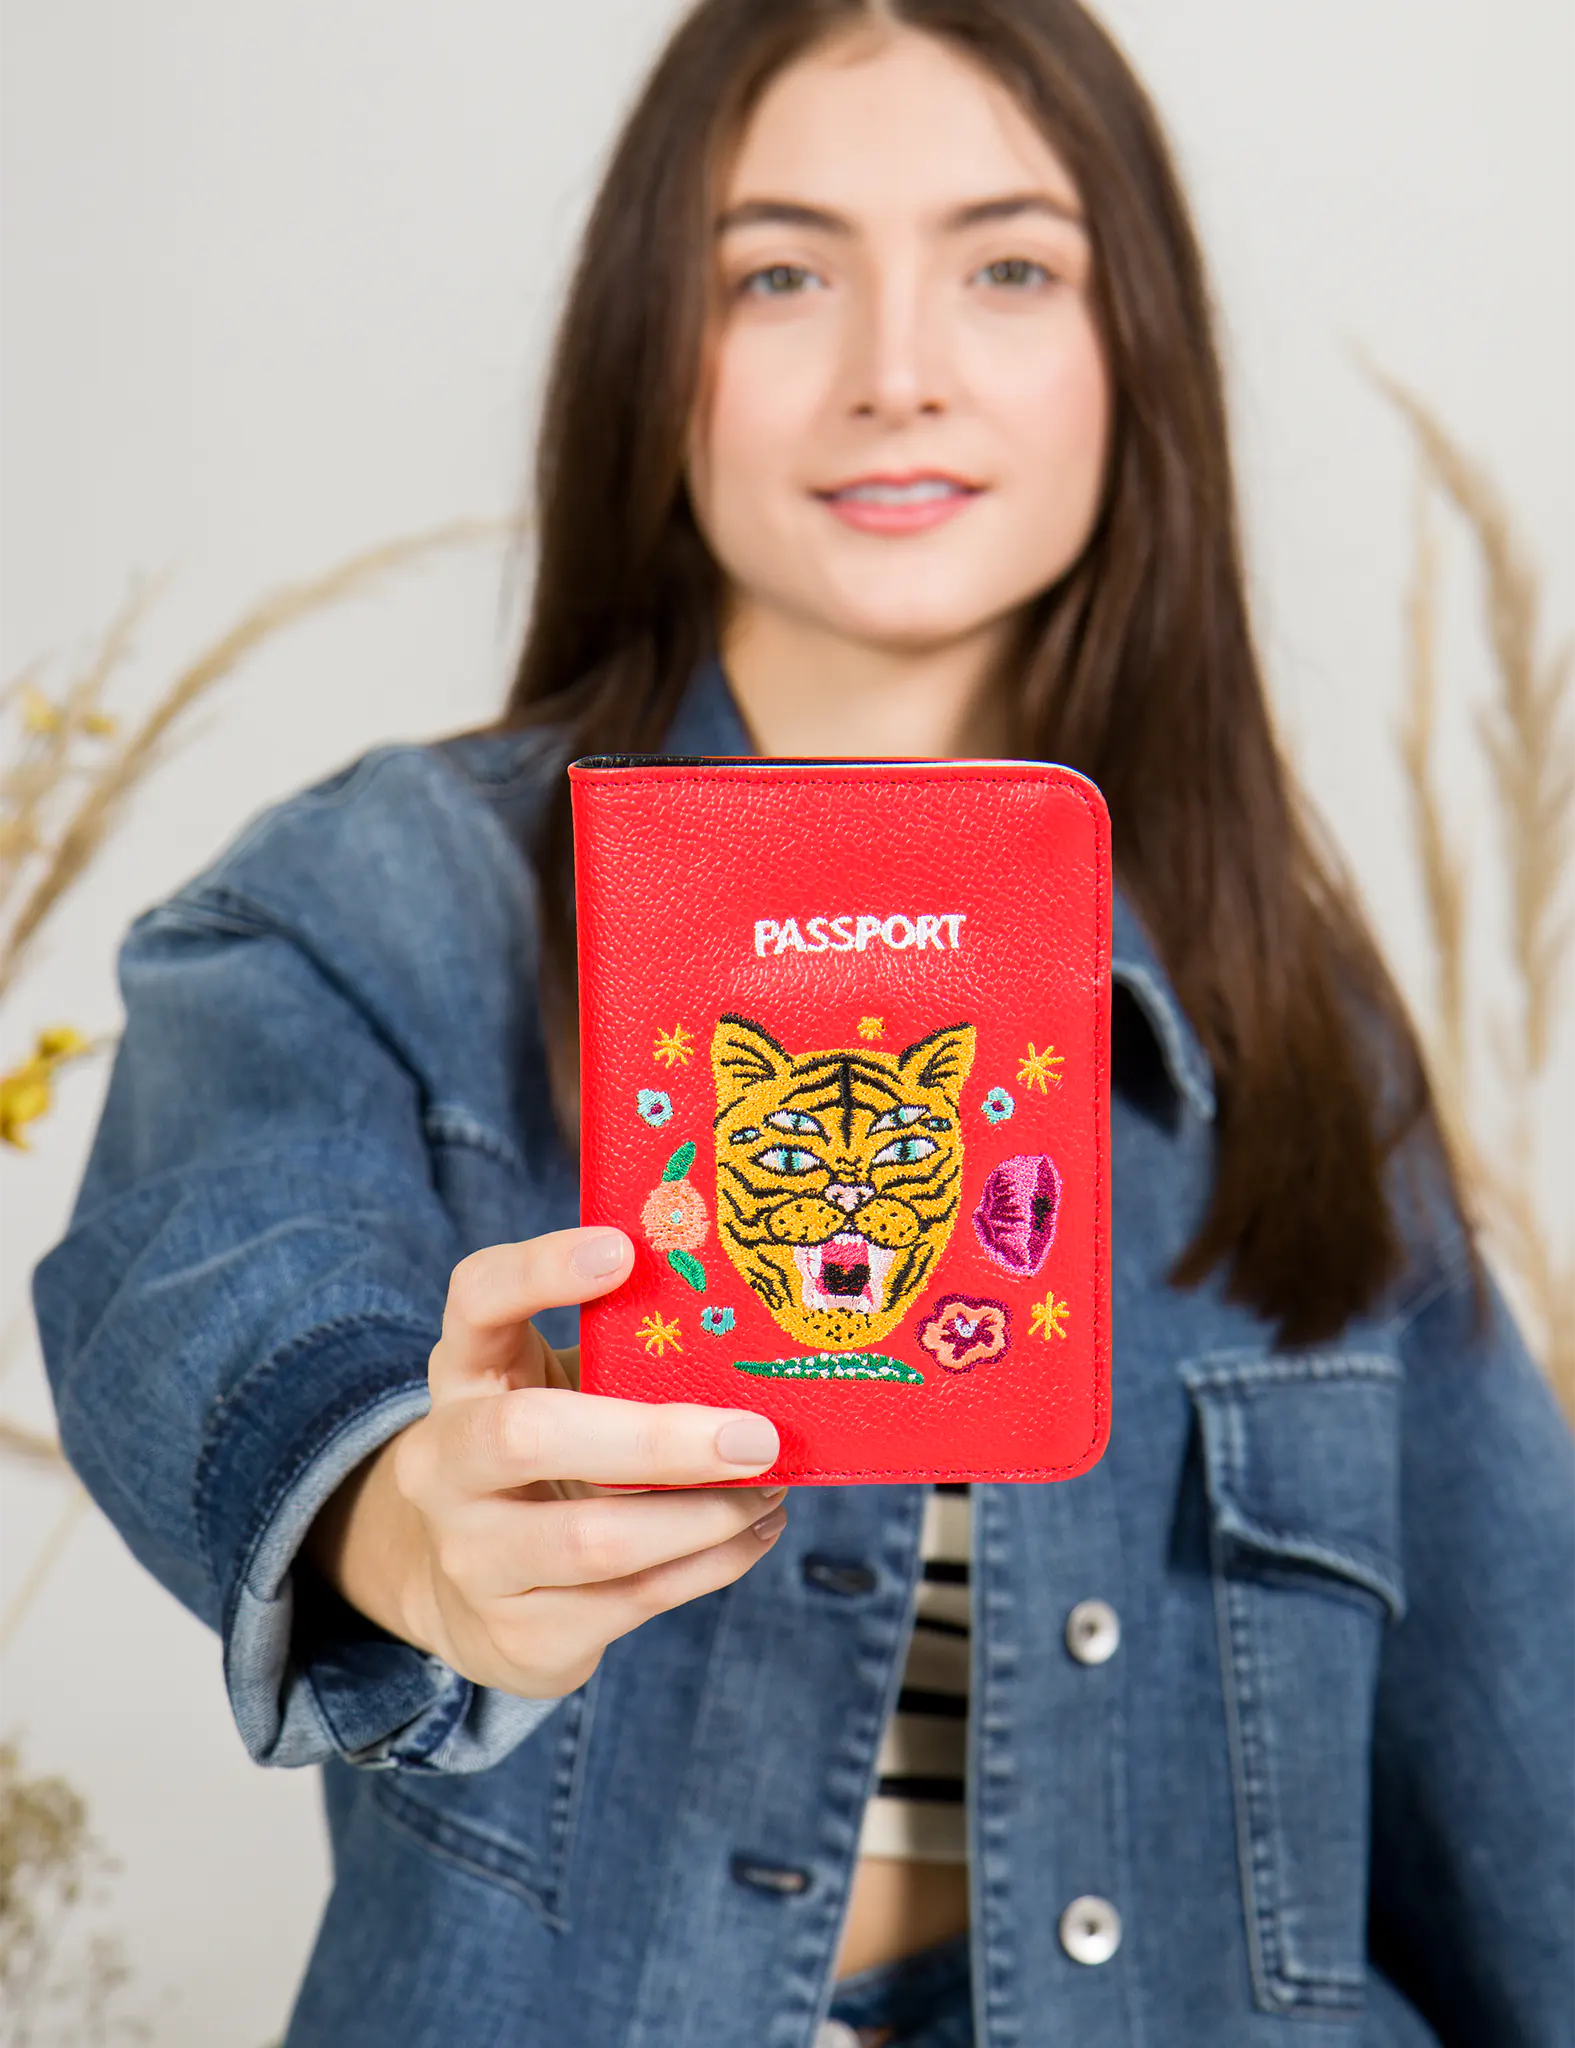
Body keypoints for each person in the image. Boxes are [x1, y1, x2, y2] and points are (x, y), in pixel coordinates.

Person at [31, 1, 1575, 2043]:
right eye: (779, 275)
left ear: (1137, 354)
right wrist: (407, 1517)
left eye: (1007, 267)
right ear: (646, 350)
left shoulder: (1288, 1018)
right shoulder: (384, 901)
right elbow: (210, 1273)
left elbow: (1521, 1772)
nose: (895, 371)